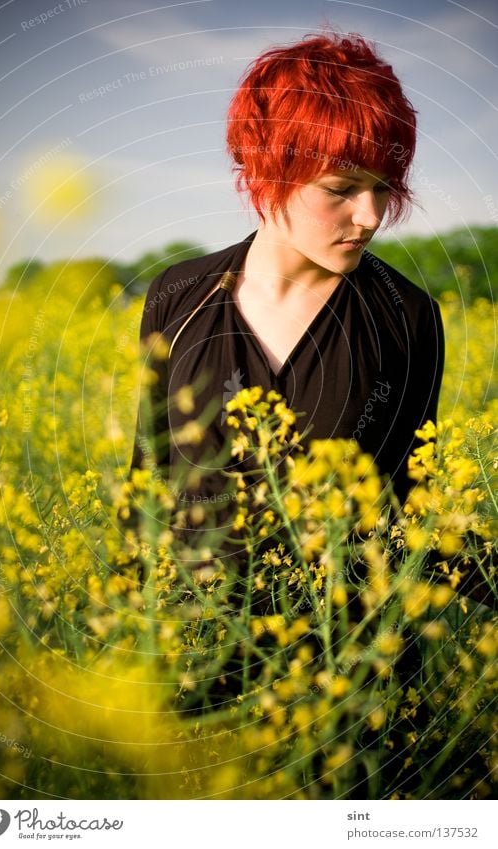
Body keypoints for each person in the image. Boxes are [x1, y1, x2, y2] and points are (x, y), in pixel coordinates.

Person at [124, 30, 445, 566]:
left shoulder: (407, 316)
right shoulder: (177, 296)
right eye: (341, 189)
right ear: (267, 172)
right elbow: (148, 478)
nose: (369, 217)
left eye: (383, 187)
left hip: (344, 642)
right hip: (190, 643)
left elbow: (410, 513)